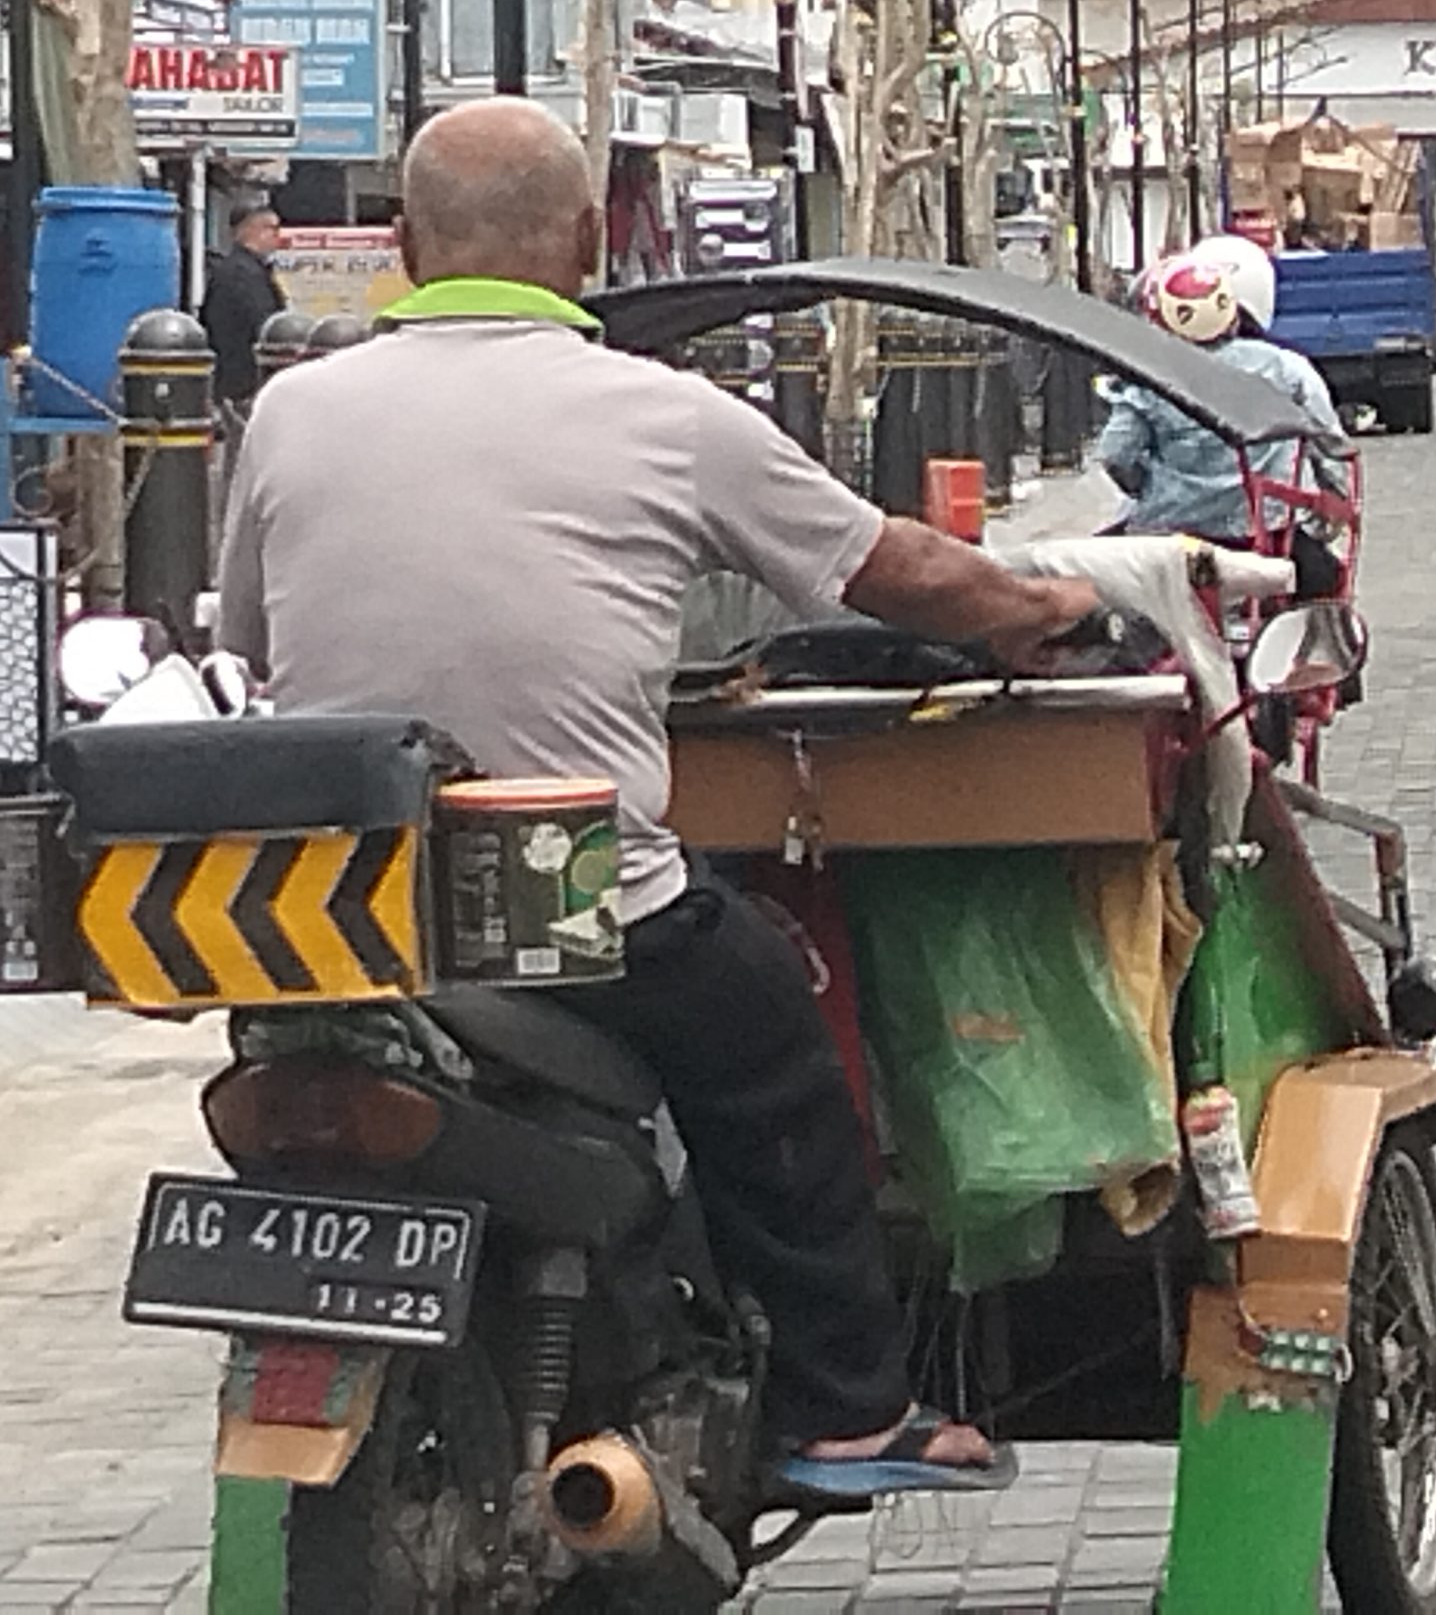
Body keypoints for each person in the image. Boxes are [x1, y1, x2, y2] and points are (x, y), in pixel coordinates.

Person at [217, 97, 1098, 1495]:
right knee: (777, 1063)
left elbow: (258, 643)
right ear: (584, 243)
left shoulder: (293, 408)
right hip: (574, 906)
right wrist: (1033, 606)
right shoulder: (668, 414)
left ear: (401, 246)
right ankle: (848, 1410)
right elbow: (897, 575)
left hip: (341, 912)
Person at [1097, 234, 1353, 597]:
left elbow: (1115, 454)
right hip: (1268, 534)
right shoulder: (1286, 368)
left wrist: (1147, 486)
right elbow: (1328, 440)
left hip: (1170, 537)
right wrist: (1333, 498)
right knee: (1327, 584)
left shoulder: (1148, 379)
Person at [197, 201, 287, 410]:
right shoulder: (244, 275)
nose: (277, 236)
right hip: (244, 385)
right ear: (251, 231)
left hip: (231, 382)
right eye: (271, 228)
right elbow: (265, 325)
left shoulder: (235, 270)